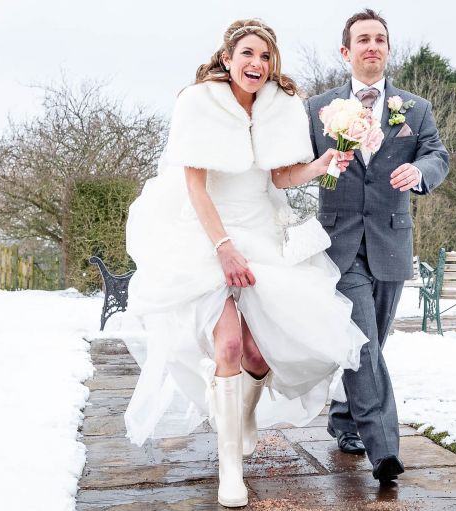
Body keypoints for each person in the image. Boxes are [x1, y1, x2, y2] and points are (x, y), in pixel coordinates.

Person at [123, 19, 368, 508]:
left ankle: (241, 416)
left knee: (259, 355)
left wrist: (322, 166)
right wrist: (223, 247)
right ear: (228, 57)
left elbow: (280, 177)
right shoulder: (197, 103)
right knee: (229, 345)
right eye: (248, 54)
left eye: (265, 57)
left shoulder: (281, 106)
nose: (256, 65)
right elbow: (194, 187)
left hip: (263, 232)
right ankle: (230, 468)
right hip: (207, 233)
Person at [306, 8, 449, 484]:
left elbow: (436, 154)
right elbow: (291, 164)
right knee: (364, 345)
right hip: (340, 243)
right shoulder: (316, 109)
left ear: (388, 50)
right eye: (363, 39)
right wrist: (322, 166)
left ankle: (346, 420)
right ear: (346, 52)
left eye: (380, 39)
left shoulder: (416, 108)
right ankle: (383, 450)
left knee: (371, 342)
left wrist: (422, 174)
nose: (372, 46)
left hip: (390, 240)